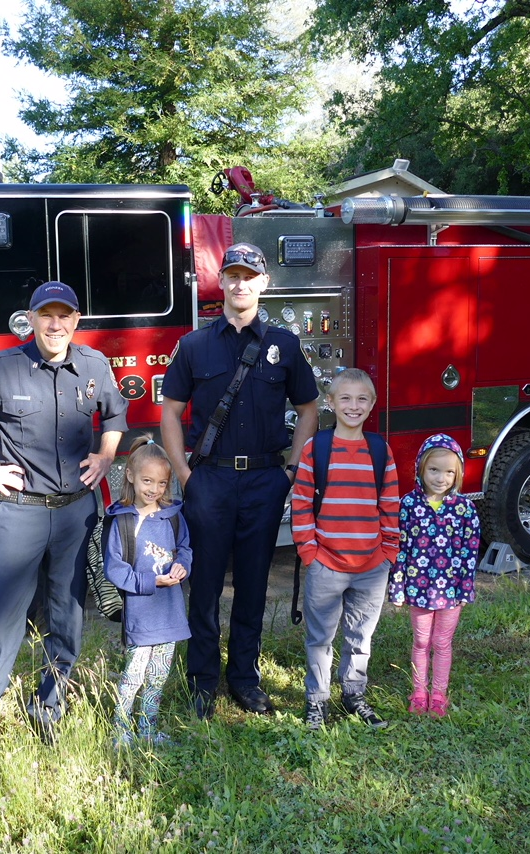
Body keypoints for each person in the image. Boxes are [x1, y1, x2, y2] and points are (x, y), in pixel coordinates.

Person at [0, 281, 126, 743]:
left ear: (76, 321)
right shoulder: (2, 368)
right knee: (0, 617)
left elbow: (116, 414)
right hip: (20, 512)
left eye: (64, 316)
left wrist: (105, 457)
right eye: (46, 315)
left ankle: (49, 705)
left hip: (76, 513)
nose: (55, 324)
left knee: (68, 613)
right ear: (31, 319)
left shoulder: (95, 365)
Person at [160, 242, 319, 719]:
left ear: (264, 283)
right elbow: (170, 413)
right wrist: (185, 474)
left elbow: (309, 408)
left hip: (264, 483)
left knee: (252, 583)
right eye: (232, 275)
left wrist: (290, 470)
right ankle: (203, 682)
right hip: (209, 481)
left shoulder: (284, 345)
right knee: (204, 584)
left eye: (250, 275)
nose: (240, 283)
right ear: (221, 282)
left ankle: (244, 680)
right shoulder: (194, 345)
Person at [290, 369, 400, 730]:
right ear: (331, 403)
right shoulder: (316, 448)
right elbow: (302, 502)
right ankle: (317, 702)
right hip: (327, 565)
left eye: (362, 399)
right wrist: (310, 553)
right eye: (346, 399)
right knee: (320, 637)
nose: (354, 406)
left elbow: (390, 505)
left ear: (372, 405)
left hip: (371, 567)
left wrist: (388, 553)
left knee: (360, 636)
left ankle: (354, 695)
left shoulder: (380, 451)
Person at [103, 436, 192, 746]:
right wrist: (150, 582)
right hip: (141, 614)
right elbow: (114, 568)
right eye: (147, 481)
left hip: (170, 613)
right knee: (134, 675)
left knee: (158, 675)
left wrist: (183, 567)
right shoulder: (123, 521)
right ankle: (121, 728)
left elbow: (184, 549)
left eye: (161, 483)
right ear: (130, 476)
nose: (154, 489)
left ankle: (148, 728)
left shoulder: (173, 516)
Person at [387, 433, 482, 718]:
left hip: (451, 591)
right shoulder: (408, 505)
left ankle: (438, 694)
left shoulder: (465, 509)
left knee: (442, 643)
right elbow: (400, 549)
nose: (441, 478)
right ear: (420, 469)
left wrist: (466, 588)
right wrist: (398, 587)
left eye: (449, 472)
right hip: (418, 589)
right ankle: (419, 691)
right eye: (434, 470)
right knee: (421, 641)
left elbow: (470, 551)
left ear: (458, 474)